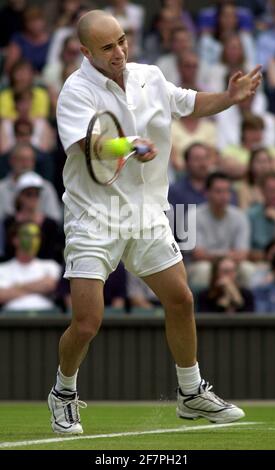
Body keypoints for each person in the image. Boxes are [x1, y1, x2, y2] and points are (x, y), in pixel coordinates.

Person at [48, 9, 262, 434]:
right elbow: (85, 143)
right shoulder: (75, 91)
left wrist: (229, 98)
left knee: (181, 300)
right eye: (107, 47)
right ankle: (63, 392)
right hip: (94, 216)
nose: (119, 52)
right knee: (88, 321)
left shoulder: (150, 76)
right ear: (85, 51)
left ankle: (190, 393)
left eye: (122, 41)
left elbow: (190, 102)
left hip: (147, 214)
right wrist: (129, 143)